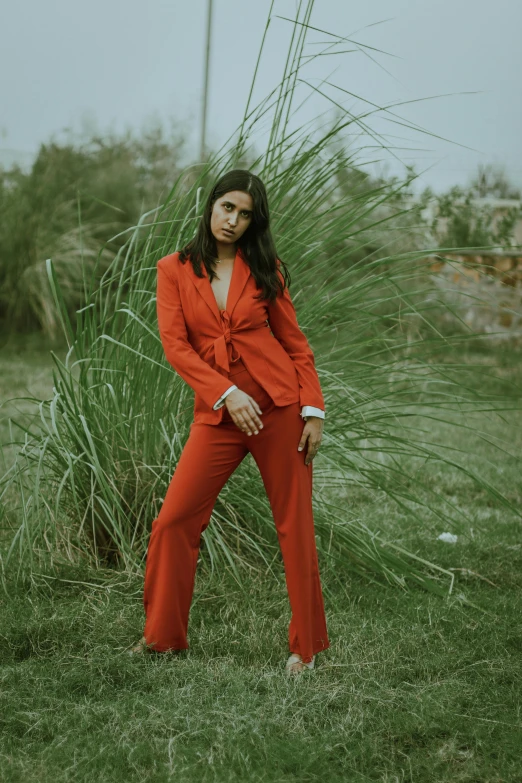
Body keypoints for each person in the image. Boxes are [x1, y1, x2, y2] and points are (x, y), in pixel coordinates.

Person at [128, 169, 329, 675]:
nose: (233, 221)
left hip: (280, 408)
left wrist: (314, 411)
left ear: (253, 221)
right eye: (227, 208)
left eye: (244, 214)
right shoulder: (173, 269)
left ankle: (305, 648)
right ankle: (163, 639)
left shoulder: (266, 269)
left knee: (295, 526)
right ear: (211, 206)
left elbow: (296, 344)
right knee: (174, 519)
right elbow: (175, 346)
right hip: (218, 414)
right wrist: (226, 391)